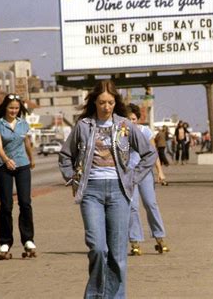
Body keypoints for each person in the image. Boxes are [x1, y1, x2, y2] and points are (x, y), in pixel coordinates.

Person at [58, 80, 156, 298]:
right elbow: (65, 156)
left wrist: (133, 178)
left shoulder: (125, 126)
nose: (106, 107)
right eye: (102, 102)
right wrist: (72, 179)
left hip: (119, 191)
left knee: (118, 253)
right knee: (98, 248)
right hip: (91, 191)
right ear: (94, 102)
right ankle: (95, 295)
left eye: (110, 102)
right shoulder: (83, 126)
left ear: (115, 102)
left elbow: (149, 154)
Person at [0, 93, 36, 259]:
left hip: (22, 165)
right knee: (6, 205)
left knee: (25, 203)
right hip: (5, 166)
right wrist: (6, 160)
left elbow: (27, 143)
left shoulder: (23, 124)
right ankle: (5, 242)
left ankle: (28, 240)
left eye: (17, 108)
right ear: (5, 108)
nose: (14, 111)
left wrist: (31, 159)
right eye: (11, 108)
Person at [126, 103, 169, 257]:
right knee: (132, 207)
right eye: (128, 119)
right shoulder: (120, 134)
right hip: (129, 174)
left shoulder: (145, 132)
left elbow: (153, 153)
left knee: (151, 204)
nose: (132, 122)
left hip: (144, 173)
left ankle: (160, 237)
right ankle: (135, 241)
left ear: (138, 119)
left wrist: (160, 172)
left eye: (134, 119)